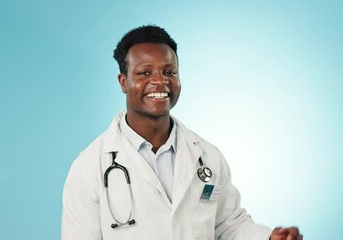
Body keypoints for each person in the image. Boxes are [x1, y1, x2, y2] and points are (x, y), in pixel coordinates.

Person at [61, 25, 302, 240]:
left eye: (169, 72)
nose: (159, 81)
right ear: (123, 82)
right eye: (145, 72)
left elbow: (228, 226)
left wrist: (269, 238)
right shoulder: (89, 167)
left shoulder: (207, 156)